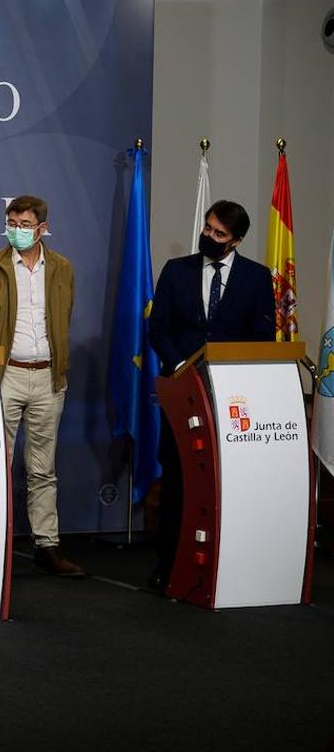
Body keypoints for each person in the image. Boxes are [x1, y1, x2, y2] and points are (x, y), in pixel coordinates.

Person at [147, 199, 274, 591]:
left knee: (228, 481)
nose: (210, 237)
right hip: (182, 391)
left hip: (232, 397)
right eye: (208, 229)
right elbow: (159, 329)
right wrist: (183, 365)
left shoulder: (256, 277)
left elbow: (262, 339)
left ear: (235, 241)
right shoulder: (177, 271)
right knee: (178, 478)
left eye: (219, 234)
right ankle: (168, 567)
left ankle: (228, 566)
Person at [0, 195, 84, 577]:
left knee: (43, 468)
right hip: (5, 376)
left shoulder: (62, 268)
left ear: (43, 229)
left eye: (25, 224)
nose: (16, 229)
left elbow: (64, 319)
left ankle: (47, 546)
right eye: (11, 222)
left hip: (48, 376)